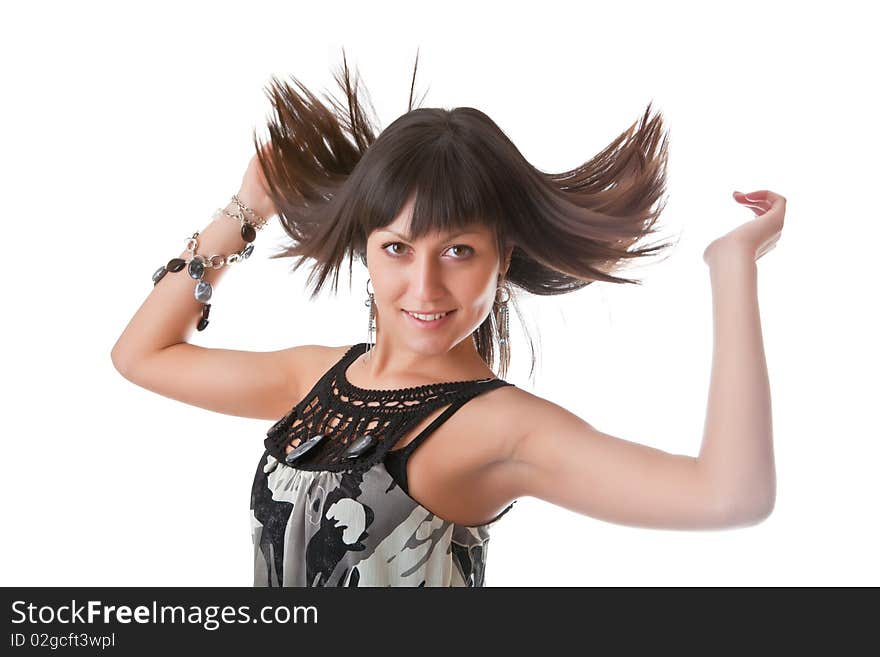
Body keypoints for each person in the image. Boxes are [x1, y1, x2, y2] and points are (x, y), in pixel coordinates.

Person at [111, 52, 782, 587]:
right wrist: (246, 208)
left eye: (458, 250)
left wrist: (733, 268)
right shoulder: (316, 378)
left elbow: (730, 495)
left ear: (502, 256)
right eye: (397, 248)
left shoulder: (497, 426)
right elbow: (140, 355)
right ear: (366, 250)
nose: (424, 286)